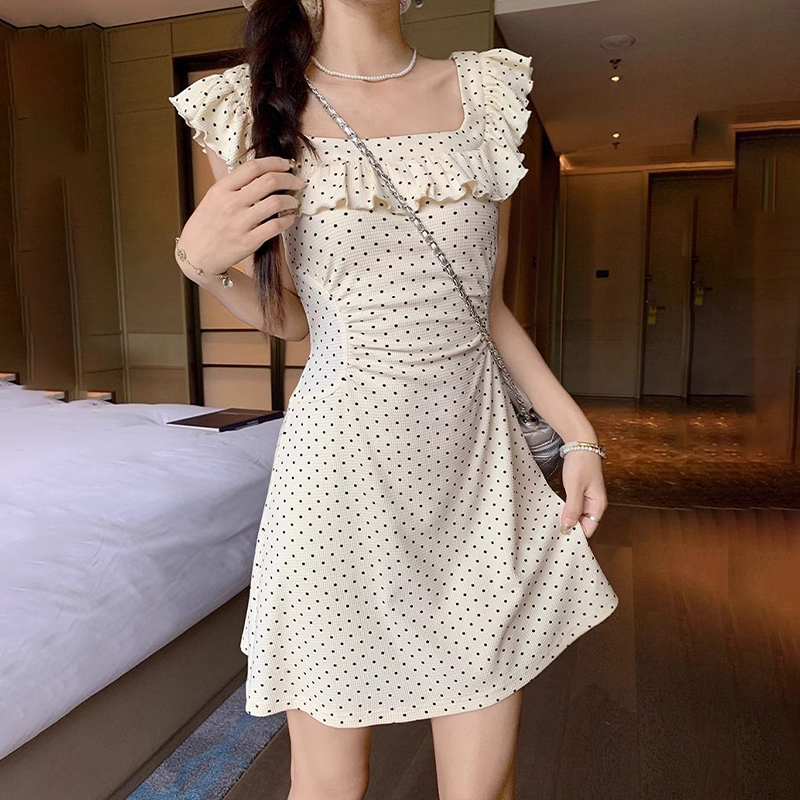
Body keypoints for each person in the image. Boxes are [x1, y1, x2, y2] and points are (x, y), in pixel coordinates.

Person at [169, 1, 619, 798]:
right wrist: (201, 265)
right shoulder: (246, 107)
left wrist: (577, 434)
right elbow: (293, 320)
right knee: (329, 785)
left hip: (477, 476)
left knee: (480, 787)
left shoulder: (487, 91)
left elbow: (486, 309)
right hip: (339, 484)